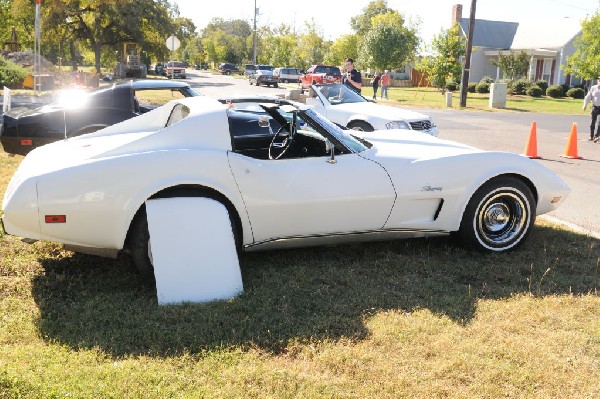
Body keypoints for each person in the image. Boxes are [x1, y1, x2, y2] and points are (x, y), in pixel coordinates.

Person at [583, 76, 600, 142]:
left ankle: (597, 136)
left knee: (599, 123)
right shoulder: (593, 88)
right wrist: (585, 105)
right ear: (597, 81)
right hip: (594, 107)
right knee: (593, 122)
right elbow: (588, 97)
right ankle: (591, 136)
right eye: (599, 80)